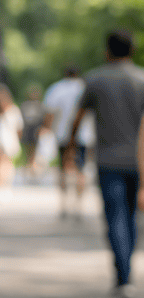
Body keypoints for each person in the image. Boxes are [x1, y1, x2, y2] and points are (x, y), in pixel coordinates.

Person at [68, 30, 144, 298]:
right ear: (132, 49)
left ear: (107, 51)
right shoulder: (141, 79)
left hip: (108, 161)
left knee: (115, 217)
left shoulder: (95, 79)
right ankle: (127, 273)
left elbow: (77, 118)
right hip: (138, 162)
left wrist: (72, 147)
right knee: (131, 216)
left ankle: (122, 275)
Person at [42, 66, 89, 216]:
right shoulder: (84, 87)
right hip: (83, 135)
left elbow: (49, 112)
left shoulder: (57, 89)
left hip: (62, 134)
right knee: (81, 169)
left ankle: (64, 205)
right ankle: (79, 205)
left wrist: (47, 130)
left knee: (63, 168)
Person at [19, 85, 45, 177]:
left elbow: (43, 119)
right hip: (27, 129)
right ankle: (28, 167)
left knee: (35, 149)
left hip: (36, 129)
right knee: (28, 149)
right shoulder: (25, 105)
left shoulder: (40, 105)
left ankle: (33, 168)